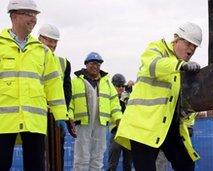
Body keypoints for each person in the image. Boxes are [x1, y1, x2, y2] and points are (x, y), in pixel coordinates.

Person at [115, 22, 202, 171]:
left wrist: (187, 119)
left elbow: (184, 101)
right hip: (143, 126)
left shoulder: (184, 69)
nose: (191, 49)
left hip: (168, 126)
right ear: (175, 39)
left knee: (186, 165)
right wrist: (180, 65)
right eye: (188, 43)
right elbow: (153, 65)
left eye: (194, 46)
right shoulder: (157, 49)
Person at [0, 0, 69, 170]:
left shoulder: (42, 51)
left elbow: (53, 85)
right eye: (29, 14)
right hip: (3, 120)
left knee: (36, 166)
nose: (34, 19)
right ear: (14, 16)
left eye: (35, 15)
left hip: (35, 121)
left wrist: (61, 115)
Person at [69, 52, 122, 170]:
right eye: (93, 63)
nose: (96, 66)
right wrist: (70, 117)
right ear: (86, 64)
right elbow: (70, 101)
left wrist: (118, 118)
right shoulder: (76, 82)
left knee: (98, 156)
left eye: (98, 64)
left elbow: (114, 103)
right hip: (83, 124)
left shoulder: (107, 83)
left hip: (100, 124)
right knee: (81, 156)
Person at [38, 24, 76, 170]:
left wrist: (63, 112)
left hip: (56, 114)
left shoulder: (63, 62)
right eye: (49, 40)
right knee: (38, 153)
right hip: (37, 112)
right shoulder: (31, 58)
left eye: (55, 41)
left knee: (57, 153)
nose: (52, 44)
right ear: (40, 39)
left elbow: (67, 90)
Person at [107, 74, 133, 171]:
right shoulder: (111, 98)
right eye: (118, 86)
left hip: (128, 132)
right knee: (113, 162)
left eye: (123, 86)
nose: (121, 88)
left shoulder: (127, 96)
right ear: (113, 86)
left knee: (128, 163)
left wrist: (132, 88)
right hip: (116, 132)